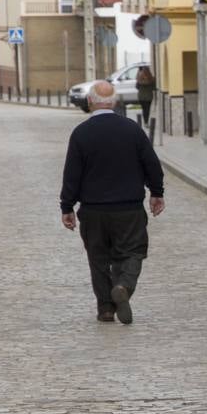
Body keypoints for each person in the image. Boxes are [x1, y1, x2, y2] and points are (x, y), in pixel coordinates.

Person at [59, 80, 165, 325]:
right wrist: (156, 192)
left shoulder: (81, 133)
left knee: (98, 259)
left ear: (89, 102)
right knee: (133, 252)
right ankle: (124, 286)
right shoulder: (132, 130)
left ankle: (106, 309)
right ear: (115, 101)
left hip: (93, 210)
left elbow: (72, 174)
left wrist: (67, 207)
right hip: (128, 208)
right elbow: (152, 165)